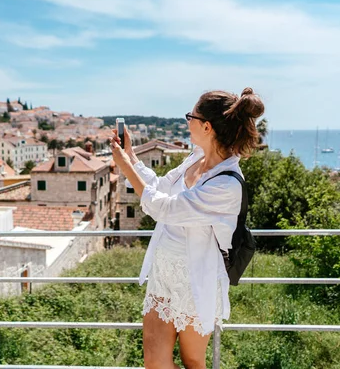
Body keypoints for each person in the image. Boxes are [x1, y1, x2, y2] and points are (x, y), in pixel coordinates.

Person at [109, 88, 264, 369]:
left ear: (206, 126)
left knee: (192, 361)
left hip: (196, 281)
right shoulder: (195, 158)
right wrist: (131, 157)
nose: (186, 122)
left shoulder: (226, 184)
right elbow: (159, 189)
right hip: (164, 275)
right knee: (154, 362)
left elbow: (165, 210)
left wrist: (125, 167)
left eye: (190, 116)